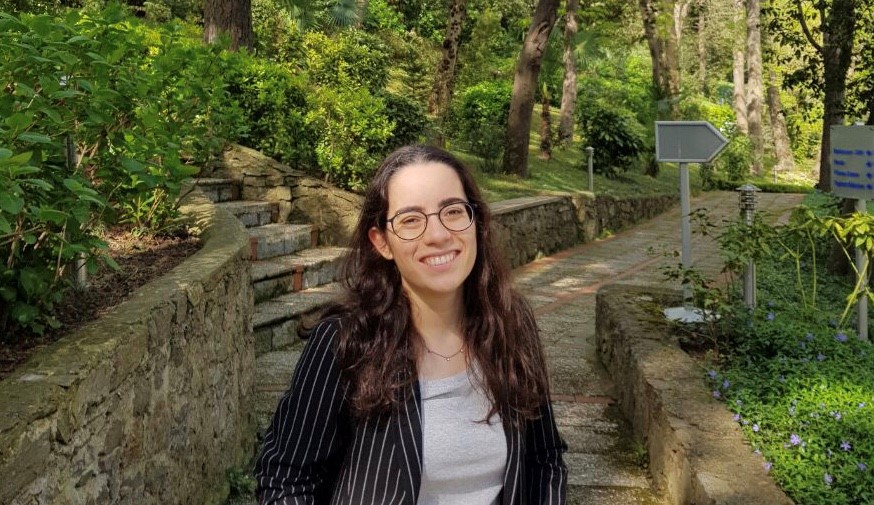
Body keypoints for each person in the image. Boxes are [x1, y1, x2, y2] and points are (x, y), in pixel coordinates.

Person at [254, 144, 567, 504]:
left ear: (476, 221)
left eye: (453, 211)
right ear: (382, 242)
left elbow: (544, 458)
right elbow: (285, 477)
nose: (437, 235)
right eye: (411, 220)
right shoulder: (347, 341)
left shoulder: (510, 322)